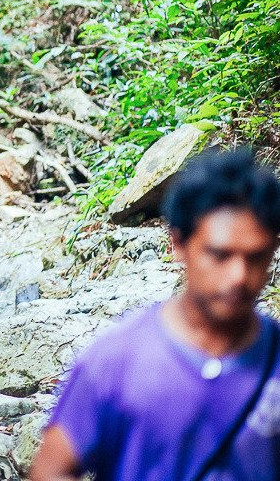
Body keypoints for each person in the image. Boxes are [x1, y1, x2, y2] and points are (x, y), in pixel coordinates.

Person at [30, 148, 280, 481]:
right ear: (177, 244)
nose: (238, 275)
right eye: (219, 255)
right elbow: (52, 469)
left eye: (255, 257)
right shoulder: (116, 359)